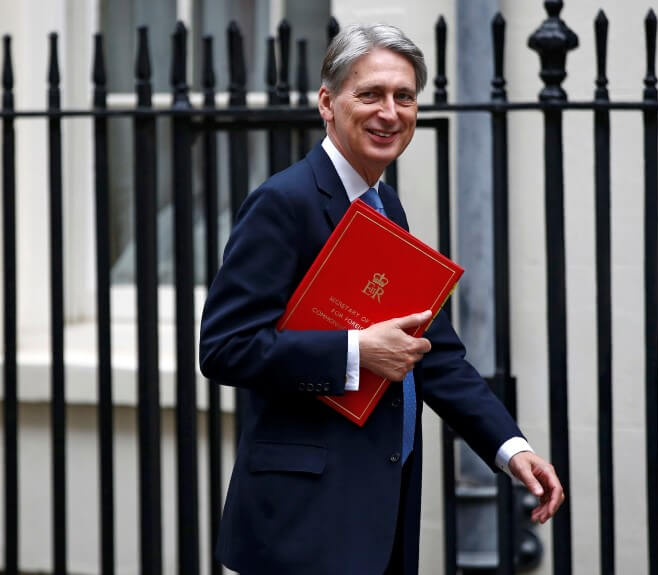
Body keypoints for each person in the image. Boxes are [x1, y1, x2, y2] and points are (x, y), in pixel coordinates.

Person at [199, 23, 564, 575]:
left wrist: (512, 449)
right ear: (328, 103)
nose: (389, 113)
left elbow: (435, 351)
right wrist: (356, 352)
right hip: (301, 526)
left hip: (381, 514)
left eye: (404, 97)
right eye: (370, 94)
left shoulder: (385, 204)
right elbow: (225, 347)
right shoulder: (283, 202)